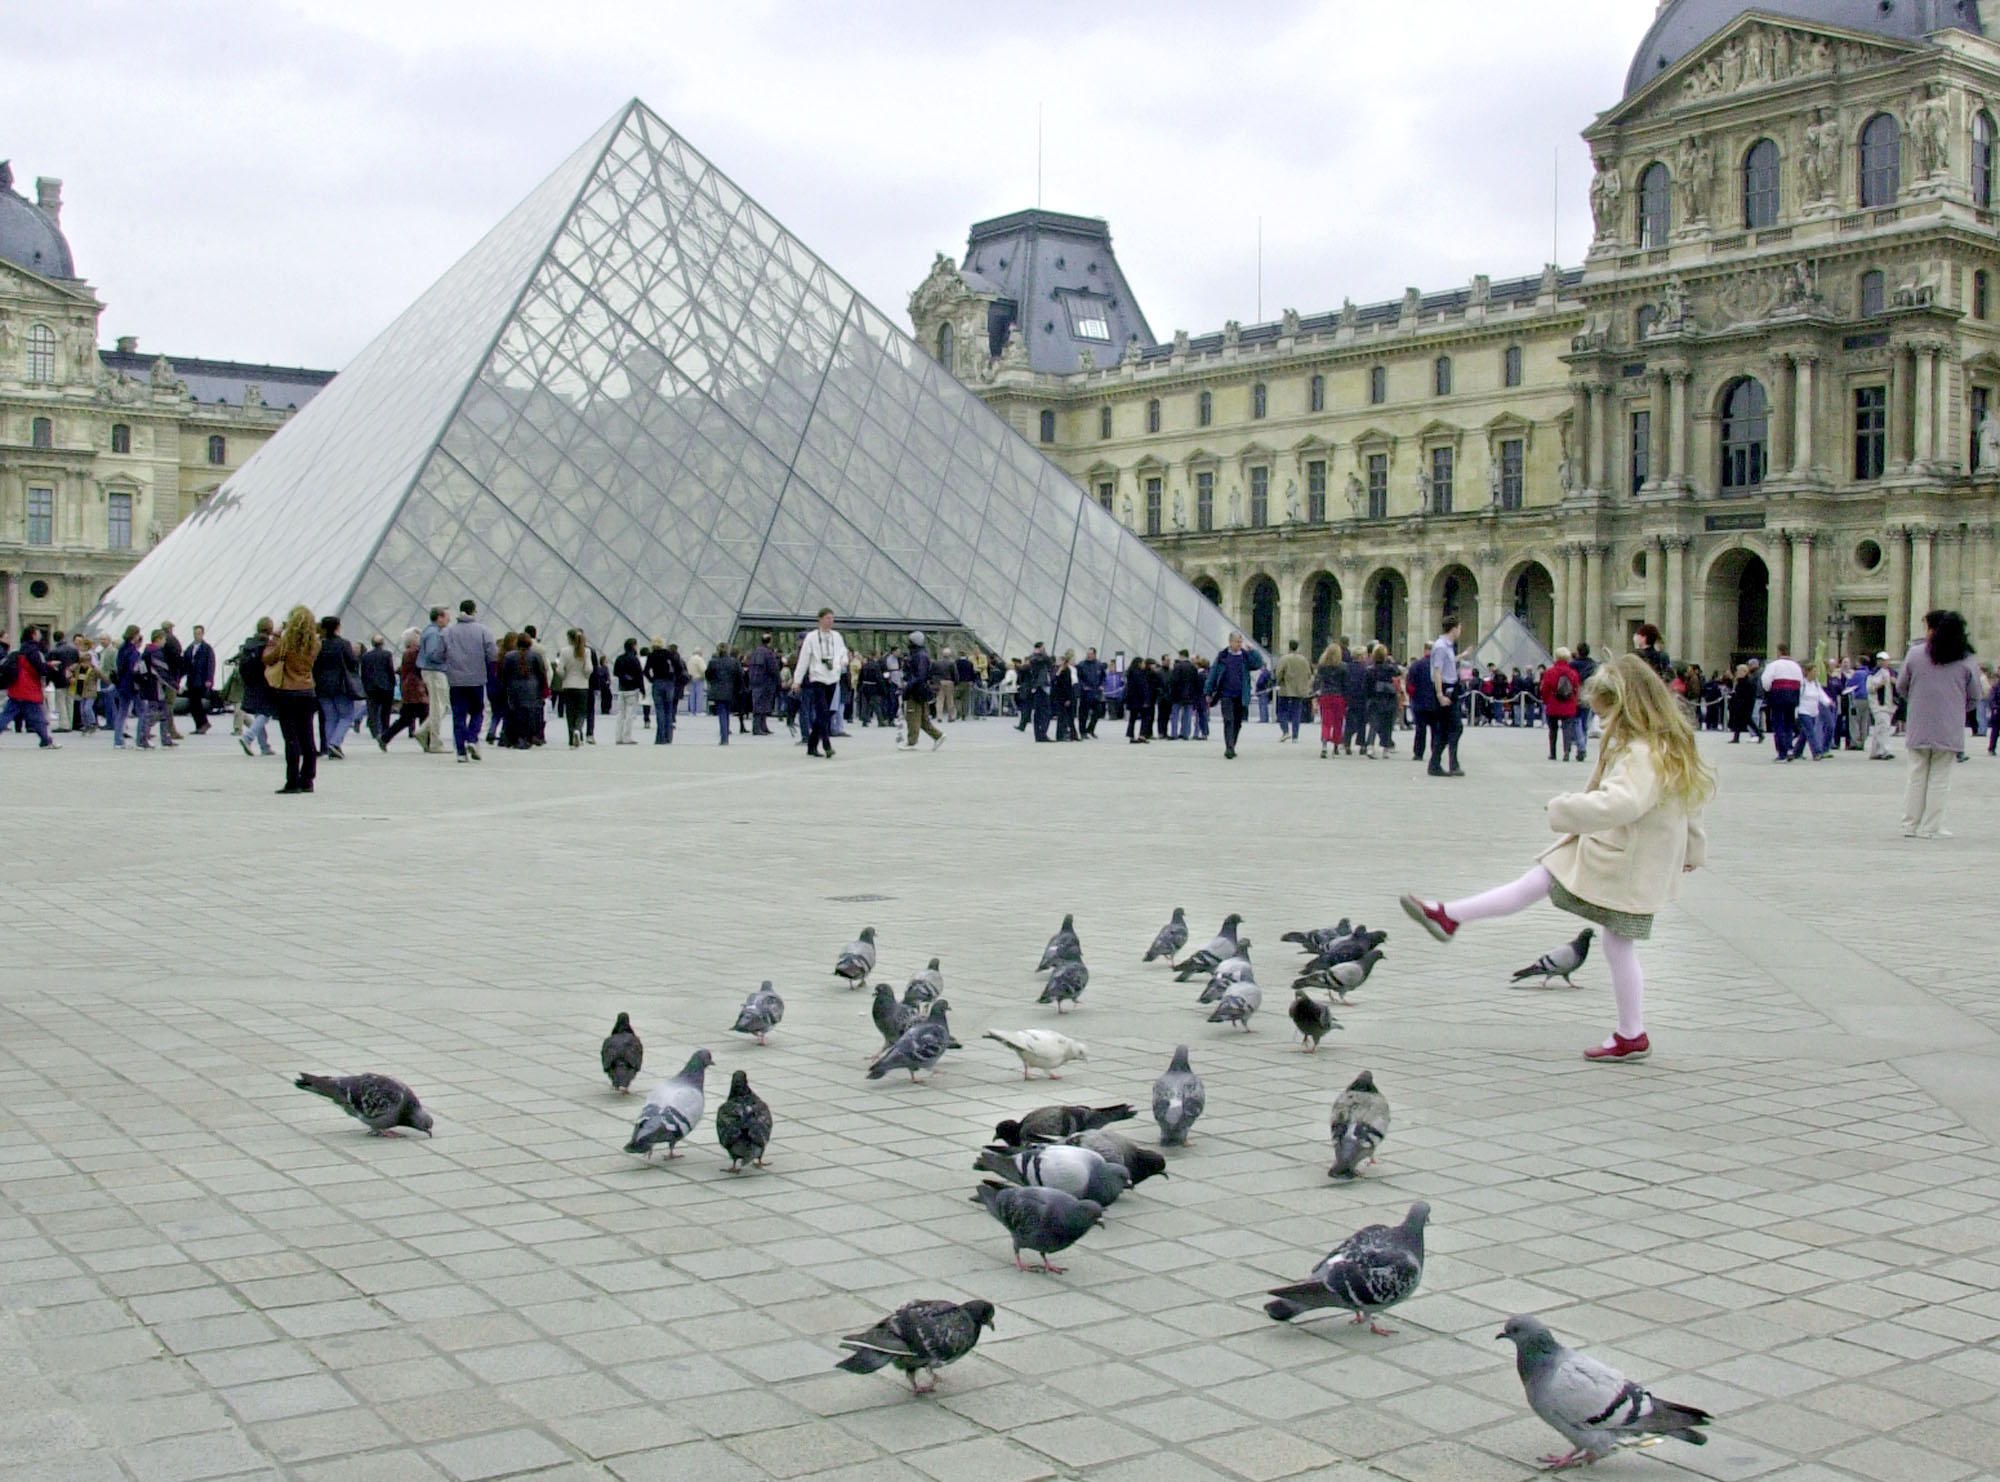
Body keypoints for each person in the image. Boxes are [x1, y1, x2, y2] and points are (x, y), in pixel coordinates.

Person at [1402, 654, 1711, 1063]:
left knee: (1578, 910)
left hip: (1624, 856)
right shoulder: (1666, 742)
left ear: (1627, 706)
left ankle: (1632, 1033)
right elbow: (1690, 805)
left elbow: (1625, 801)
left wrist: (1566, 808)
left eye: (1606, 713)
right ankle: (1631, 1033)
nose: (1602, 723)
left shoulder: (1640, 751)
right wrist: (1693, 849)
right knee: (1595, 924)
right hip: (1627, 853)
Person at [1897, 611, 1982, 838]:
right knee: (1940, 778)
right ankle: (1931, 827)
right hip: (1949, 725)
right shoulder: (1966, 659)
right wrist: (1956, 707)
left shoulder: (1915, 654)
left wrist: (1917, 701)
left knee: (1916, 774)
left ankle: (1909, 824)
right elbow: (1975, 696)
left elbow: (1901, 686)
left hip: (1919, 723)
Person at [263, 606, 322, 794]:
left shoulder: (285, 642)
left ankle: (292, 781)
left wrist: (275, 638)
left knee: (291, 739)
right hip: (308, 691)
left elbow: (268, 659)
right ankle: (308, 779)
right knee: (308, 737)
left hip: (288, 692)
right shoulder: (316, 643)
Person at [441, 599, 497, 762]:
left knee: (458, 716)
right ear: (474, 611)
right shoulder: (483, 630)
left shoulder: (447, 632)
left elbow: (438, 654)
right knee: (477, 713)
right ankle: (472, 738)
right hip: (477, 679)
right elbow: (492, 654)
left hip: (456, 681)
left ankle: (460, 752)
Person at [793, 609, 848, 759]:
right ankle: (826, 744)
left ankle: (811, 744)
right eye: (828, 618)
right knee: (822, 711)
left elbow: (843, 652)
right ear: (820, 620)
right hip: (817, 678)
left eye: (832, 618)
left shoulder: (836, 637)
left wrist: (842, 662)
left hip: (832, 678)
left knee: (825, 713)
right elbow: (803, 660)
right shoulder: (811, 638)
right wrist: (797, 680)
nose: (831, 621)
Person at [1204, 631, 1263, 760]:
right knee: (1228, 720)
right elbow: (1213, 674)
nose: (1239, 644)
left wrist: (1253, 651)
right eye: (1237, 641)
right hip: (1226, 694)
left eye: (1240, 642)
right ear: (1230, 642)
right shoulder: (1222, 656)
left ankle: (1232, 745)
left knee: (1237, 722)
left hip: (1240, 695)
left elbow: (1258, 664)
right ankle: (1229, 747)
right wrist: (1208, 692)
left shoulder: (1246, 657)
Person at [312, 616, 362, 759]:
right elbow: (352, 662)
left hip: (322, 686)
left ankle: (330, 746)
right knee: (347, 716)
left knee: (330, 718)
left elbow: (315, 666)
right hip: (341, 684)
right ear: (338, 627)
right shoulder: (344, 644)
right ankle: (335, 743)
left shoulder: (319, 644)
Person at [0, 625, 58, 748]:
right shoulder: (34, 650)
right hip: (28, 688)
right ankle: (46, 741)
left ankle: (45, 740)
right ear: (33, 635)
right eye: (38, 633)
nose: (40, 636)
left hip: (16, 686)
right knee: (37, 717)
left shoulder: (20, 649)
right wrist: (50, 667)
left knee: (6, 715)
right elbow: (40, 669)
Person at [233, 619, 278, 756]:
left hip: (251, 683)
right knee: (265, 713)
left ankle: (264, 746)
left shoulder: (249, 644)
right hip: (265, 682)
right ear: (270, 629)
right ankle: (248, 737)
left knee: (260, 713)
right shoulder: (267, 645)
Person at [1428, 617, 1464, 777]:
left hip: (1450, 689)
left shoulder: (1447, 647)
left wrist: (1462, 656)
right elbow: (1437, 671)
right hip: (1445, 690)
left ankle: (1436, 764)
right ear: (1454, 629)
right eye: (1460, 628)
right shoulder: (1441, 647)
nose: (1460, 631)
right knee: (1456, 727)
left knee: (1444, 729)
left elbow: (1447, 665)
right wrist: (1440, 694)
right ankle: (1451, 763)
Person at [898, 631, 946, 750]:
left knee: (912, 715)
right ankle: (938, 736)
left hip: (915, 691)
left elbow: (919, 675)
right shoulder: (922, 654)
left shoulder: (918, 656)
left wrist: (908, 685)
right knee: (922, 719)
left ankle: (912, 742)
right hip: (921, 690)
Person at [381, 628, 428, 749]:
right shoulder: (415, 652)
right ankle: (427, 741)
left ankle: (385, 737)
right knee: (423, 715)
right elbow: (421, 668)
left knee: (407, 718)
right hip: (417, 689)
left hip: (410, 688)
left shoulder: (408, 652)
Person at [415, 608, 452, 755]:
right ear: (439, 618)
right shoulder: (434, 633)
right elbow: (432, 654)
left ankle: (424, 732)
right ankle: (434, 741)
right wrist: (446, 658)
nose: (449, 620)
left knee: (440, 706)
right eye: (447, 617)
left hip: (431, 671)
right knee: (439, 707)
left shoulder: (429, 631)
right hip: (435, 671)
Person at [1760, 643, 1804, 762]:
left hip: (1778, 695)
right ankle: (1789, 748)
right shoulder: (1796, 666)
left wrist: (1768, 690)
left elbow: (1765, 681)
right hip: (1793, 695)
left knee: (1778, 723)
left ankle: (1782, 752)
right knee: (1789, 723)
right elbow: (1801, 682)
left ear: (1779, 652)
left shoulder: (1774, 665)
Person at [1540, 647, 1584, 762]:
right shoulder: (1573, 673)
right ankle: (1566, 752)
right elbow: (1576, 689)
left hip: (1553, 704)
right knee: (1567, 730)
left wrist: (1546, 701)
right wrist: (1575, 701)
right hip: (1568, 705)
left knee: (1552, 730)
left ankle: (1553, 753)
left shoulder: (1550, 672)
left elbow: (1544, 689)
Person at [1364, 644, 1401, 758]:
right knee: (1387, 724)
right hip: (1389, 699)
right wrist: (1392, 661)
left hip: (1375, 699)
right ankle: (1385, 749)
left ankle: (1370, 747)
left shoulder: (1370, 669)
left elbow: (1366, 686)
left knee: (1374, 725)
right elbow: (1398, 672)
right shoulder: (1389, 668)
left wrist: (1368, 698)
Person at [360, 634, 398, 744]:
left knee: (372, 710)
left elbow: (363, 672)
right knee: (386, 710)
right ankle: (385, 730)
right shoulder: (387, 654)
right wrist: (393, 683)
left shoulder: (366, 656)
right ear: (382, 643)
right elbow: (390, 670)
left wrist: (365, 685)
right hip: (385, 686)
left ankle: (375, 731)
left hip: (370, 687)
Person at [1312, 642, 1346, 759]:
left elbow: (1318, 681)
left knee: (1326, 722)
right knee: (1338, 722)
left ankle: (1324, 745)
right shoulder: (1343, 667)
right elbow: (1345, 684)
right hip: (1339, 696)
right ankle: (1336, 746)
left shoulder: (1322, 667)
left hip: (1326, 696)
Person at [1274, 640, 1313, 743]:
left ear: (1289, 647)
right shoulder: (1304, 660)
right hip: (1299, 689)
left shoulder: (1285, 658)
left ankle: (1285, 731)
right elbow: (1309, 674)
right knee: (1297, 712)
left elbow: (1279, 673)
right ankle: (1295, 736)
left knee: (1282, 710)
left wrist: (1278, 682)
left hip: (1286, 687)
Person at [746, 633, 781, 735]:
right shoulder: (768, 653)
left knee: (757, 704)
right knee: (763, 705)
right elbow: (773, 669)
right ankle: (759, 727)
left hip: (755, 682)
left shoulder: (755, 652)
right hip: (766, 683)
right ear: (769, 642)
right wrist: (778, 682)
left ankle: (761, 727)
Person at [708, 645, 744, 744]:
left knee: (722, 712)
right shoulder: (734, 662)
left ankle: (724, 736)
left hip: (718, 690)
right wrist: (739, 688)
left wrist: (713, 683)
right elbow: (740, 675)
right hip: (730, 690)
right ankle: (726, 734)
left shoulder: (713, 662)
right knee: (727, 712)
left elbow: (708, 675)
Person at [612, 638, 645, 744]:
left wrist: (624, 677)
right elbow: (639, 676)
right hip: (632, 690)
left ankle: (618, 737)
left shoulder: (619, 658)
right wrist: (642, 690)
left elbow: (615, 672)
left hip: (621, 689)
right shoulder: (634, 659)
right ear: (634, 646)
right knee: (630, 715)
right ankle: (627, 737)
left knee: (621, 714)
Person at [1727, 663, 1762, 742]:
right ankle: (1736, 738)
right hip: (1740, 703)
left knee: (1747, 720)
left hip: (1744, 704)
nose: (1737, 672)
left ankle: (1759, 734)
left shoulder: (1747, 681)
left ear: (1744, 671)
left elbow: (1747, 694)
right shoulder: (1740, 680)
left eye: (1739, 671)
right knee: (1741, 721)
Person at [1076, 648, 1106, 738]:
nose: (1088, 655)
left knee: (1098, 711)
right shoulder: (1081, 665)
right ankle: (1082, 732)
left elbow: (1103, 677)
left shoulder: (1099, 664)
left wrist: (1102, 685)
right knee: (1083, 713)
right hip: (1085, 693)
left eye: (1090, 654)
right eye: (1087, 653)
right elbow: (1078, 678)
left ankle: (1090, 729)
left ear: (1094, 654)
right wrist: (1083, 686)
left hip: (1096, 693)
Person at [1124, 658, 1154, 743]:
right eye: (1143, 663)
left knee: (1132, 718)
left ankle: (1131, 735)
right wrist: (1145, 700)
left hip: (1132, 699)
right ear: (1139, 664)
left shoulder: (1131, 672)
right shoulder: (1139, 674)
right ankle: (1142, 735)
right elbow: (1142, 688)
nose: (1144, 665)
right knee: (1145, 717)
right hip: (1140, 700)